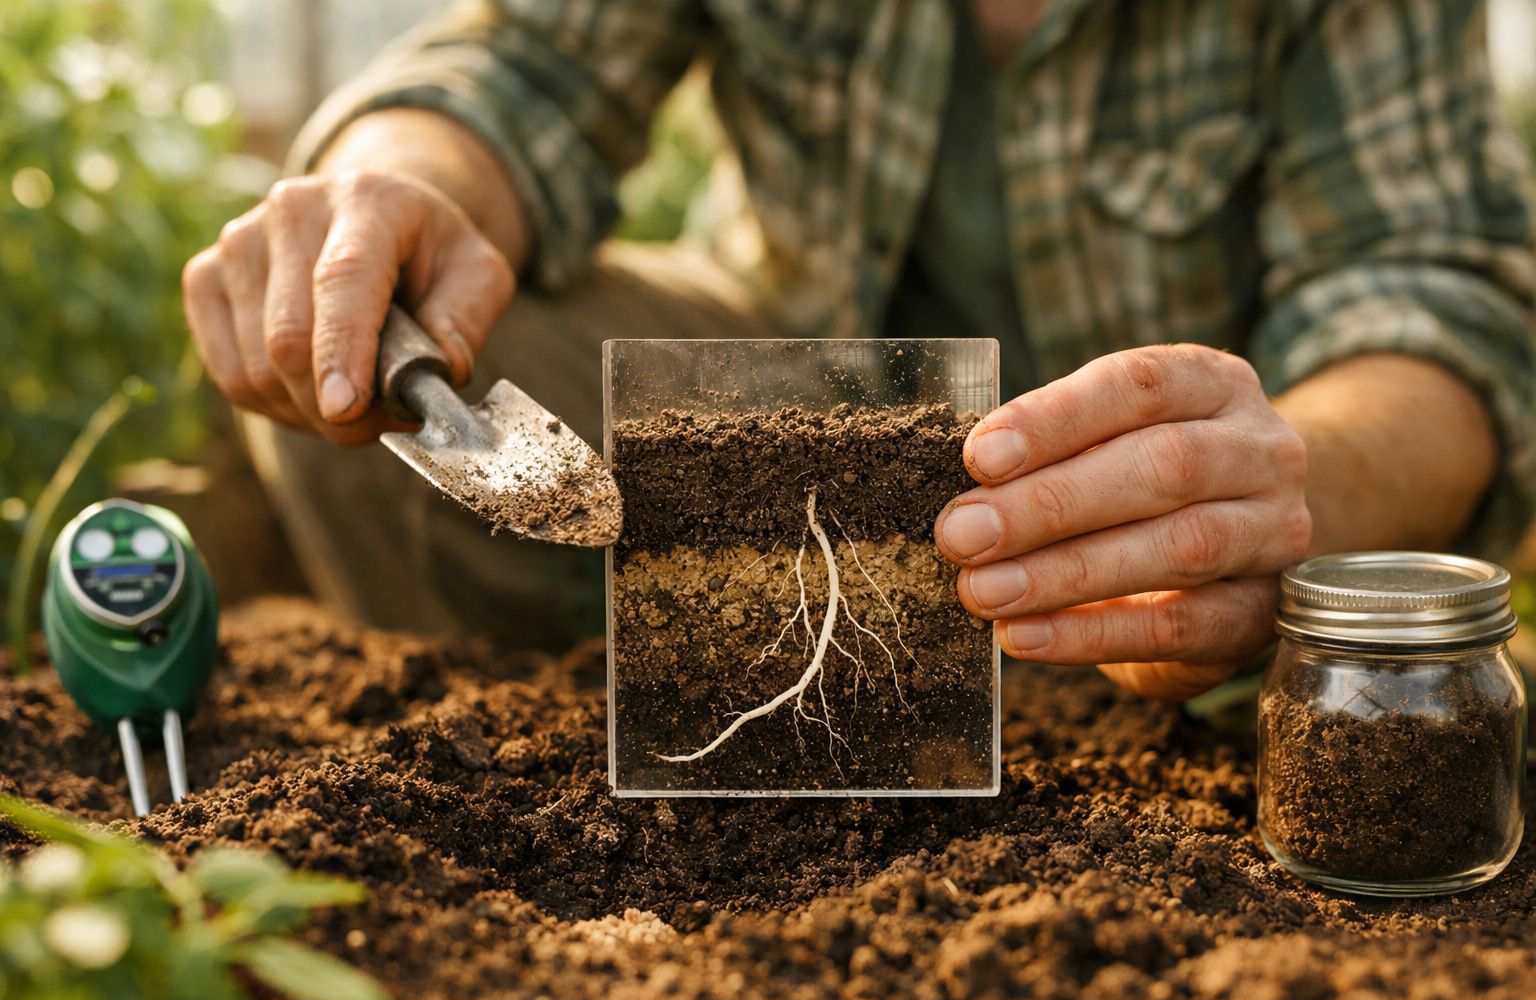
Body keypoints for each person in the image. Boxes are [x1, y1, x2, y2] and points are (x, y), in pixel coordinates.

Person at [184, 0, 1536, 700]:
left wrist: (1277, 497)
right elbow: (529, 71)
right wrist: (397, 187)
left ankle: (1082, 695)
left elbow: (1426, 294)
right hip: (798, 456)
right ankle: (598, 757)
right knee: (389, 391)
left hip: (1160, 542)